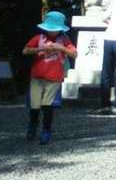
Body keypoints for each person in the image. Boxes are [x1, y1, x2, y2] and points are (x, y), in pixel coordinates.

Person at [23, 11, 76, 144]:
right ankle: (33, 126)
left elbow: (74, 54)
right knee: (35, 105)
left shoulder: (64, 39)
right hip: (37, 76)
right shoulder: (38, 38)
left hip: (54, 77)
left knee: (47, 105)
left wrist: (61, 47)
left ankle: (46, 131)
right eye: (50, 29)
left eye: (55, 29)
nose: (52, 31)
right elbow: (25, 51)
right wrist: (40, 49)